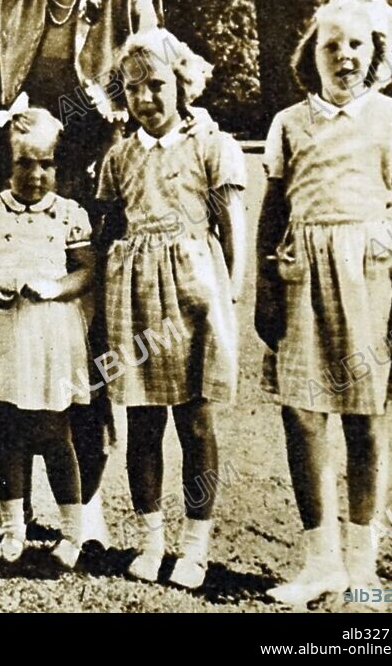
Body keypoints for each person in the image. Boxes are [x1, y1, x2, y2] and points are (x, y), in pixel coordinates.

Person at [0, 0, 158, 549]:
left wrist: (143, 184)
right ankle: (12, 501)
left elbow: (148, 88)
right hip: (19, 186)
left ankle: (88, 501)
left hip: (97, 193)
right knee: (14, 328)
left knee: (89, 345)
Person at [257, 0, 392, 606]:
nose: (345, 56)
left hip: (373, 278)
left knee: (366, 419)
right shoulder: (288, 123)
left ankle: (362, 568)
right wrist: (262, 289)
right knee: (301, 414)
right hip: (301, 276)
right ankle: (320, 562)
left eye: (357, 45)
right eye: (332, 46)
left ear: (376, 53)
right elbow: (271, 212)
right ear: (313, 56)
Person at [97, 29, 246, 589]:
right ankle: (151, 539)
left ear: (181, 84)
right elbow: (109, 227)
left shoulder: (211, 145)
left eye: (157, 85)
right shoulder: (119, 157)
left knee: (197, 422)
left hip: (193, 292)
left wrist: (229, 295)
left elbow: (233, 228)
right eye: (133, 88)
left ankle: (195, 545)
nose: (146, 98)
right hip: (133, 294)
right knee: (141, 421)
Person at [0, 107, 95, 570]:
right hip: (2, 335)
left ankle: (73, 532)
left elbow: (86, 272)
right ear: (2, 165)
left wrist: (56, 289)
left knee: (55, 434)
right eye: (24, 163)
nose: (35, 175)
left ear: (58, 165)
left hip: (49, 336)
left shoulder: (69, 215)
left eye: (46, 164)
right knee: (6, 434)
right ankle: (13, 527)